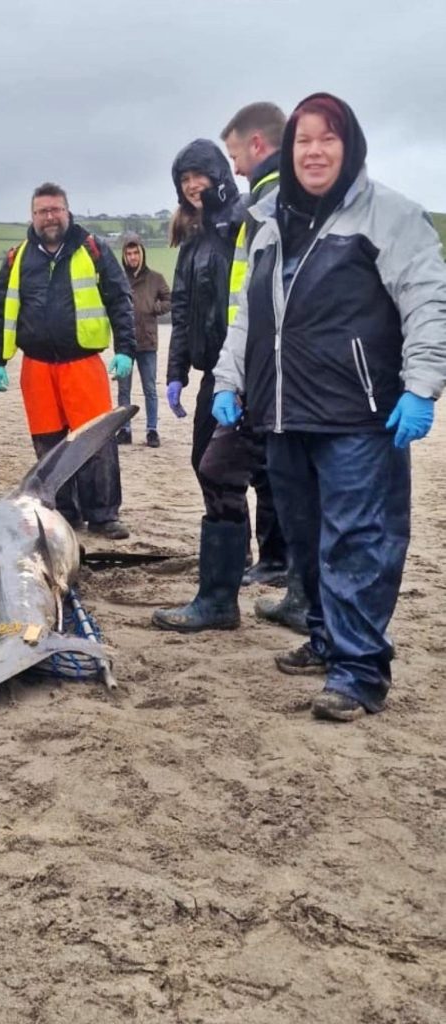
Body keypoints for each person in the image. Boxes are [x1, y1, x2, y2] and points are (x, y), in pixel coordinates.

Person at [213, 92, 446, 721]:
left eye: (328, 139)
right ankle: (324, 641)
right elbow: (250, 316)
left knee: (359, 542)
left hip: (359, 416)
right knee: (310, 541)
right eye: (303, 141)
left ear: (350, 146)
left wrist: (422, 387)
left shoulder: (389, 216)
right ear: (288, 152)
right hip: (285, 414)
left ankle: (360, 672)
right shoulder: (269, 223)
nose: (314, 152)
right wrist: (229, 380)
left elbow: (428, 301)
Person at [0, 183, 137, 539]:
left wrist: (126, 349)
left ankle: (103, 514)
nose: (49, 217)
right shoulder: (17, 258)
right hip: (36, 365)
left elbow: (119, 299)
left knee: (95, 440)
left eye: (55, 210)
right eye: (42, 211)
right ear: (32, 216)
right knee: (48, 443)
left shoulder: (93, 250)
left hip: (83, 362)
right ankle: (63, 511)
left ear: (68, 212)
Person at [152, 140, 244, 631]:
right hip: (214, 374)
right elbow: (183, 311)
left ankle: (230, 593)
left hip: (252, 373)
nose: (191, 185)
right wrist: (175, 372)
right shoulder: (193, 240)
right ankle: (225, 591)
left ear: (218, 174)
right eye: (183, 178)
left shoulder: (240, 226)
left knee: (242, 474)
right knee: (207, 467)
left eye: (198, 175)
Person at [115, 235, 171, 448]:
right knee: (123, 390)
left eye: (136, 252)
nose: (132, 257)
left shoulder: (155, 278)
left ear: (142, 253)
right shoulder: (118, 278)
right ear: (124, 256)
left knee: (150, 389)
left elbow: (169, 299)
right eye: (128, 254)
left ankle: (152, 430)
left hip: (148, 341)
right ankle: (124, 429)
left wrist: (154, 308)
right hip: (124, 344)